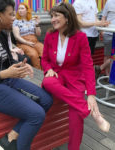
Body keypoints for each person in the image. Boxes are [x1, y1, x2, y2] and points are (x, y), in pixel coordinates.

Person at [0, 0, 53, 150]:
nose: (14, 17)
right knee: (36, 115)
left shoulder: (3, 34)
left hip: (6, 80)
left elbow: (7, 61)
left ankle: (11, 136)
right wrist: (5, 73)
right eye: (11, 14)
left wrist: (21, 66)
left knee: (46, 100)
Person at [41, 2, 110, 150]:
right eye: (52, 16)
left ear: (67, 18)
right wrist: (48, 69)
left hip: (74, 77)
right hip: (57, 75)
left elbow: (87, 67)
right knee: (47, 82)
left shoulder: (81, 37)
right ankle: (89, 111)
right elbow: (44, 59)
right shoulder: (50, 35)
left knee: (75, 116)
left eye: (56, 16)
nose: (53, 19)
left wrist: (91, 93)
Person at [12, 2, 43, 69]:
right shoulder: (16, 21)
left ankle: (46, 69)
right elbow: (16, 36)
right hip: (23, 43)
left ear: (27, 10)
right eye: (19, 8)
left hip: (35, 41)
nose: (20, 10)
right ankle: (39, 73)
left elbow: (38, 34)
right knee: (33, 55)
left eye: (22, 8)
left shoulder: (32, 20)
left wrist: (37, 24)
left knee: (43, 51)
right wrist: (27, 42)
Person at [95, 0, 115, 78]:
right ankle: (107, 75)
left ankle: (100, 68)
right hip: (109, 32)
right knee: (107, 55)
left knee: (112, 55)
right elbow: (103, 17)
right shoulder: (109, 2)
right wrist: (102, 31)